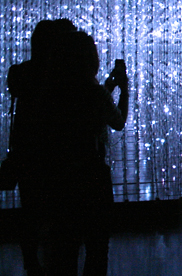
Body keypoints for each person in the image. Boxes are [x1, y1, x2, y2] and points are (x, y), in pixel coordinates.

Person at [37, 30, 128, 275]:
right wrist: (124, 89)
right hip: (92, 177)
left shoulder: (52, 92)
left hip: (60, 178)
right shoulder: (94, 92)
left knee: (65, 248)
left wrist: (108, 86)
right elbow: (118, 121)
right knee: (97, 247)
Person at [7, 18, 76, 276]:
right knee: (56, 210)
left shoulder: (21, 72)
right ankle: (53, 260)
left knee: (30, 210)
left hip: (27, 152)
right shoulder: (61, 76)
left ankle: (32, 262)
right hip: (55, 153)